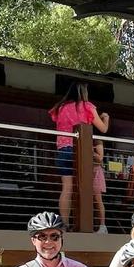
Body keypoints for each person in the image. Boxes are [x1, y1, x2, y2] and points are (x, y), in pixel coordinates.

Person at [49, 81, 109, 229]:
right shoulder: (87, 106)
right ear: (84, 92)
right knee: (84, 187)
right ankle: (84, 225)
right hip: (80, 149)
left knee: (67, 187)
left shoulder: (60, 108)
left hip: (63, 149)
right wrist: (106, 118)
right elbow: (103, 129)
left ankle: (65, 224)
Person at [92, 137, 108, 233]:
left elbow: (100, 158)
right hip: (87, 173)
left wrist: (90, 150)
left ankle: (102, 226)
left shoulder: (97, 141)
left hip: (96, 172)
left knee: (98, 199)